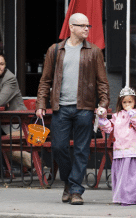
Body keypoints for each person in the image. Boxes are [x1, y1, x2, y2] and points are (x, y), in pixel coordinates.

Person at [36, 13, 110, 205]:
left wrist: (103, 103)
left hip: (84, 108)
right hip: (60, 108)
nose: (87, 29)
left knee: (81, 150)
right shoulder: (55, 50)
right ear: (71, 27)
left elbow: (102, 82)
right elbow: (45, 80)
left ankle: (75, 190)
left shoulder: (94, 51)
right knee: (58, 147)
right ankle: (69, 182)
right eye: (83, 25)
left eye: (88, 26)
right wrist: (41, 104)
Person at [97, 87, 136, 206]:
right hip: (119, 149)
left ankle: (131, 198)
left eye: (130, 102)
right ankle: (121, 197)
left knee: (131, 176)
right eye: (124, 102)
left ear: (135, 102)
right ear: (120, 103)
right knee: (120, 176)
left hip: (132, 150)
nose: (127, 104)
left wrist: (131, 113)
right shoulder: (117, 115)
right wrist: (102, 118)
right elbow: (109, 128)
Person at [0, 53, 32, 173]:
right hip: (3, 122)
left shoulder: (10, 78)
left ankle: (31, 162)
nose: (0, 67)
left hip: (16, 124)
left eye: (2, 64)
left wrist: (3, 101)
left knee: (7, 147)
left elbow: (0, 100)